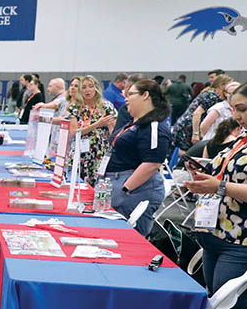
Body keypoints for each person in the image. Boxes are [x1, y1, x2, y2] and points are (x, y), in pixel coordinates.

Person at [181, 82, 247, 309]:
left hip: (241, 242)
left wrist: (218, 185)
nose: (238, 115)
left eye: (244, 109)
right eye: (235, 108)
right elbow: (221, 170)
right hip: (216, 235)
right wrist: (201, 175)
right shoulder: (239, 138)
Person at [102, 79, 171, 236]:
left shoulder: (154, 126)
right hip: (120, 184)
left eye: (130, 94)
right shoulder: (135, 124)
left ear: (145, 95)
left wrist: (126, 188)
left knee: (128, 237)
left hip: (135, 189)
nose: (126, 98)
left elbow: (153, 162)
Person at [63, 75, 118, 186]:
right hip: (80, 152)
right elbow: (74, 132)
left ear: (96, 88)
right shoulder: (74, 108)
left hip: (100, 151)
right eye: (84, 87)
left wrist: (110, 127)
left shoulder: (107, 107)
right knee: (79, 185)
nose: (87, 90)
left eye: (90, 86)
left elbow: (115, 132)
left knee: (99, 184)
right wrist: (97, 124)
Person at [174, 75, 235, 151]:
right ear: (222, 85)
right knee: (189, 153)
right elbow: (197, 113)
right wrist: (196, 133)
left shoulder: (210, 92)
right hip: (190, 126)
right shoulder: (212, 95)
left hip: (187, 125)